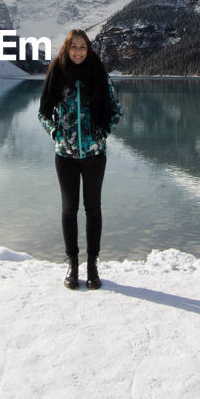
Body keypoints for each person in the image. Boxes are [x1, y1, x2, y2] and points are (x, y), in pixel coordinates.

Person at [38, 29, 122, 289]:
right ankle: (72, 267)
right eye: (73, 47)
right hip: (65, 155)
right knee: (69, 209)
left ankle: (93, 267)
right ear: (66, 48)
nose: (78, 51)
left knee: (93, 208)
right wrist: (56, 133)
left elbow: (116, 110)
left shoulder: (99, 74)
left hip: (95, 154)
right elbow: (43, 112)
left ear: (89, 49)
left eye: (83, 47)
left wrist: (103, 133)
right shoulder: (57, 74)